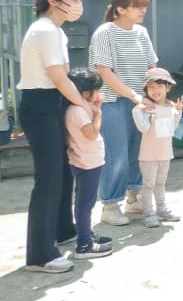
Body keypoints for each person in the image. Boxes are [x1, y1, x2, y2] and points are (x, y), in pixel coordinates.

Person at [18, 0, 84, 273]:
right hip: (41, 104)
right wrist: (85, 106)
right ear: (53, 1)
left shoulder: (54, 30)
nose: (78, 6)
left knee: (62, 173)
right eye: (74, 0)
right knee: (49, 178)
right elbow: (59, 78)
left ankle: (63, 231)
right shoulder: (46, 30)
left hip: (51, 104)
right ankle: (39, 254)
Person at [89, 0, 157, 224]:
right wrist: (133, 96)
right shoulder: (104, 33)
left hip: (141, 103)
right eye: (137, 6)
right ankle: (109, 205)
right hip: (113, 102)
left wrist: (157, 92)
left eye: (143, 6)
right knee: (115, 154)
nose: (143, 10)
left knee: (138, 151)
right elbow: (104, 72)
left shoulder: (141, 32)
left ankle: (133, 198)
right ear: (120, 9)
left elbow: (151, 66)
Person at [64, 70, 113, 260]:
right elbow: (91, 133)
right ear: (86, 93)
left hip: (86, 162)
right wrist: (98, 113)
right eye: (96, 91)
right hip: (87, 163)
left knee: (84, 201)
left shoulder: (78, 108)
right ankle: (84, 244)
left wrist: (93, 108)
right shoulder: (76, 111)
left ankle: (86, 234)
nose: (99, 95)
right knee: (86, 204)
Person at [131, 68, 183, 228]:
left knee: (161, 183)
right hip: (148, 156)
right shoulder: (146, 108)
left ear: (168, 87)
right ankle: (148, 214)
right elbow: (144, 129)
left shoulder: (172, 107)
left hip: (165, 154)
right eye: (151, 87)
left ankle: (162, 209)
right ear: (146, 90)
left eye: (159, 87)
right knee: (148, 185)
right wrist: (137, 111)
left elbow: (174, 128)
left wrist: (179, 112)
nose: (155, 91)